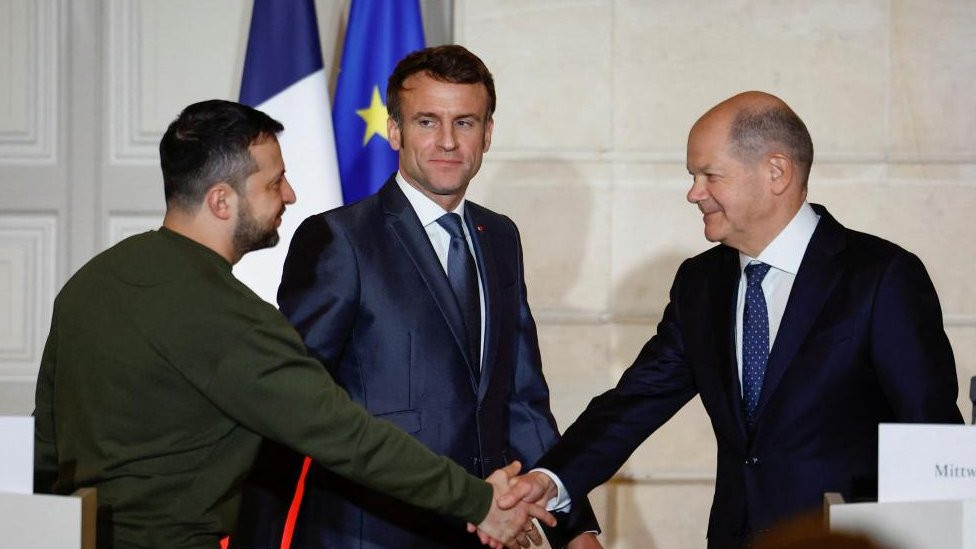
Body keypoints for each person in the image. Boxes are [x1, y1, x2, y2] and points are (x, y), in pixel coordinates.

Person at [32, 99, 555, 549]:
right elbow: (342, 433)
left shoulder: (90, 283)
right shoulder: (224, 315)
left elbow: (47, 446)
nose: (290, 196)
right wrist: (479, 500)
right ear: (221, 200)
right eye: (274, 182)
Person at [498, 91, 963, 548]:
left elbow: (930, 434)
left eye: (709, 175)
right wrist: (551, 479)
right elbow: (635, 402)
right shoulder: (701, 282)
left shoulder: (880, 276)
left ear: (776, 171)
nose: (693, 193)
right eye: (692, 175)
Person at [235, 45, 601, 549]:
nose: (447, 141)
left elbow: (522, 400)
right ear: (395, 130)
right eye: (427, 121)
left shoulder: (499, 236)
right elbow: (297, 406)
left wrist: (575, 526)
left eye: (465, 123)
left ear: (488, 134)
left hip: (484, 535)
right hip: (368, 534)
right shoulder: (341, 239)